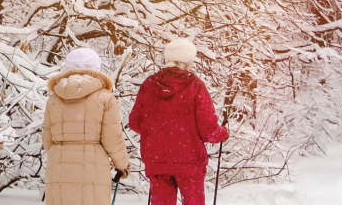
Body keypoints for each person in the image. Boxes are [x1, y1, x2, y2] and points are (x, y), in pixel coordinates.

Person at [128, 37, 229, 205]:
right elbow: (208, 129)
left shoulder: (149, 84)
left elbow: (135, 123)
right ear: (189, 62)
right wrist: (223, 133)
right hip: (190, 162)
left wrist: (158, 133)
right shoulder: (195, 86)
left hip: (157, 160)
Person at [43, 47, 131, 205]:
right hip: (93, 165)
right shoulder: (105, 97)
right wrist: (122, 165)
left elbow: (47, 140)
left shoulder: (54, 98)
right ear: (96, 68)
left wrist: (63, 154)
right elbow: (112, 138)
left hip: (59, 163)